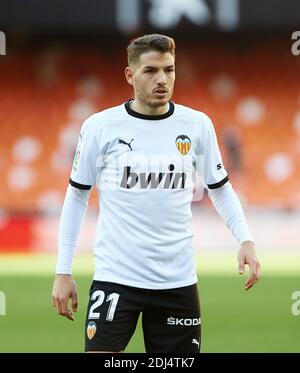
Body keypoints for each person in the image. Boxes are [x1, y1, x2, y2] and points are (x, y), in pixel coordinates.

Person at [52, 34, 261, 353]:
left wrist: (245, 239)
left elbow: (220, 189)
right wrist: (63, 270)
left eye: (169, 69)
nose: (162, 79)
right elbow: (78, 195)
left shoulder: (196, 125)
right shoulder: (100, 127)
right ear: (130, 75)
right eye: (150, 71)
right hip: (115, 279)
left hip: (177, 283)